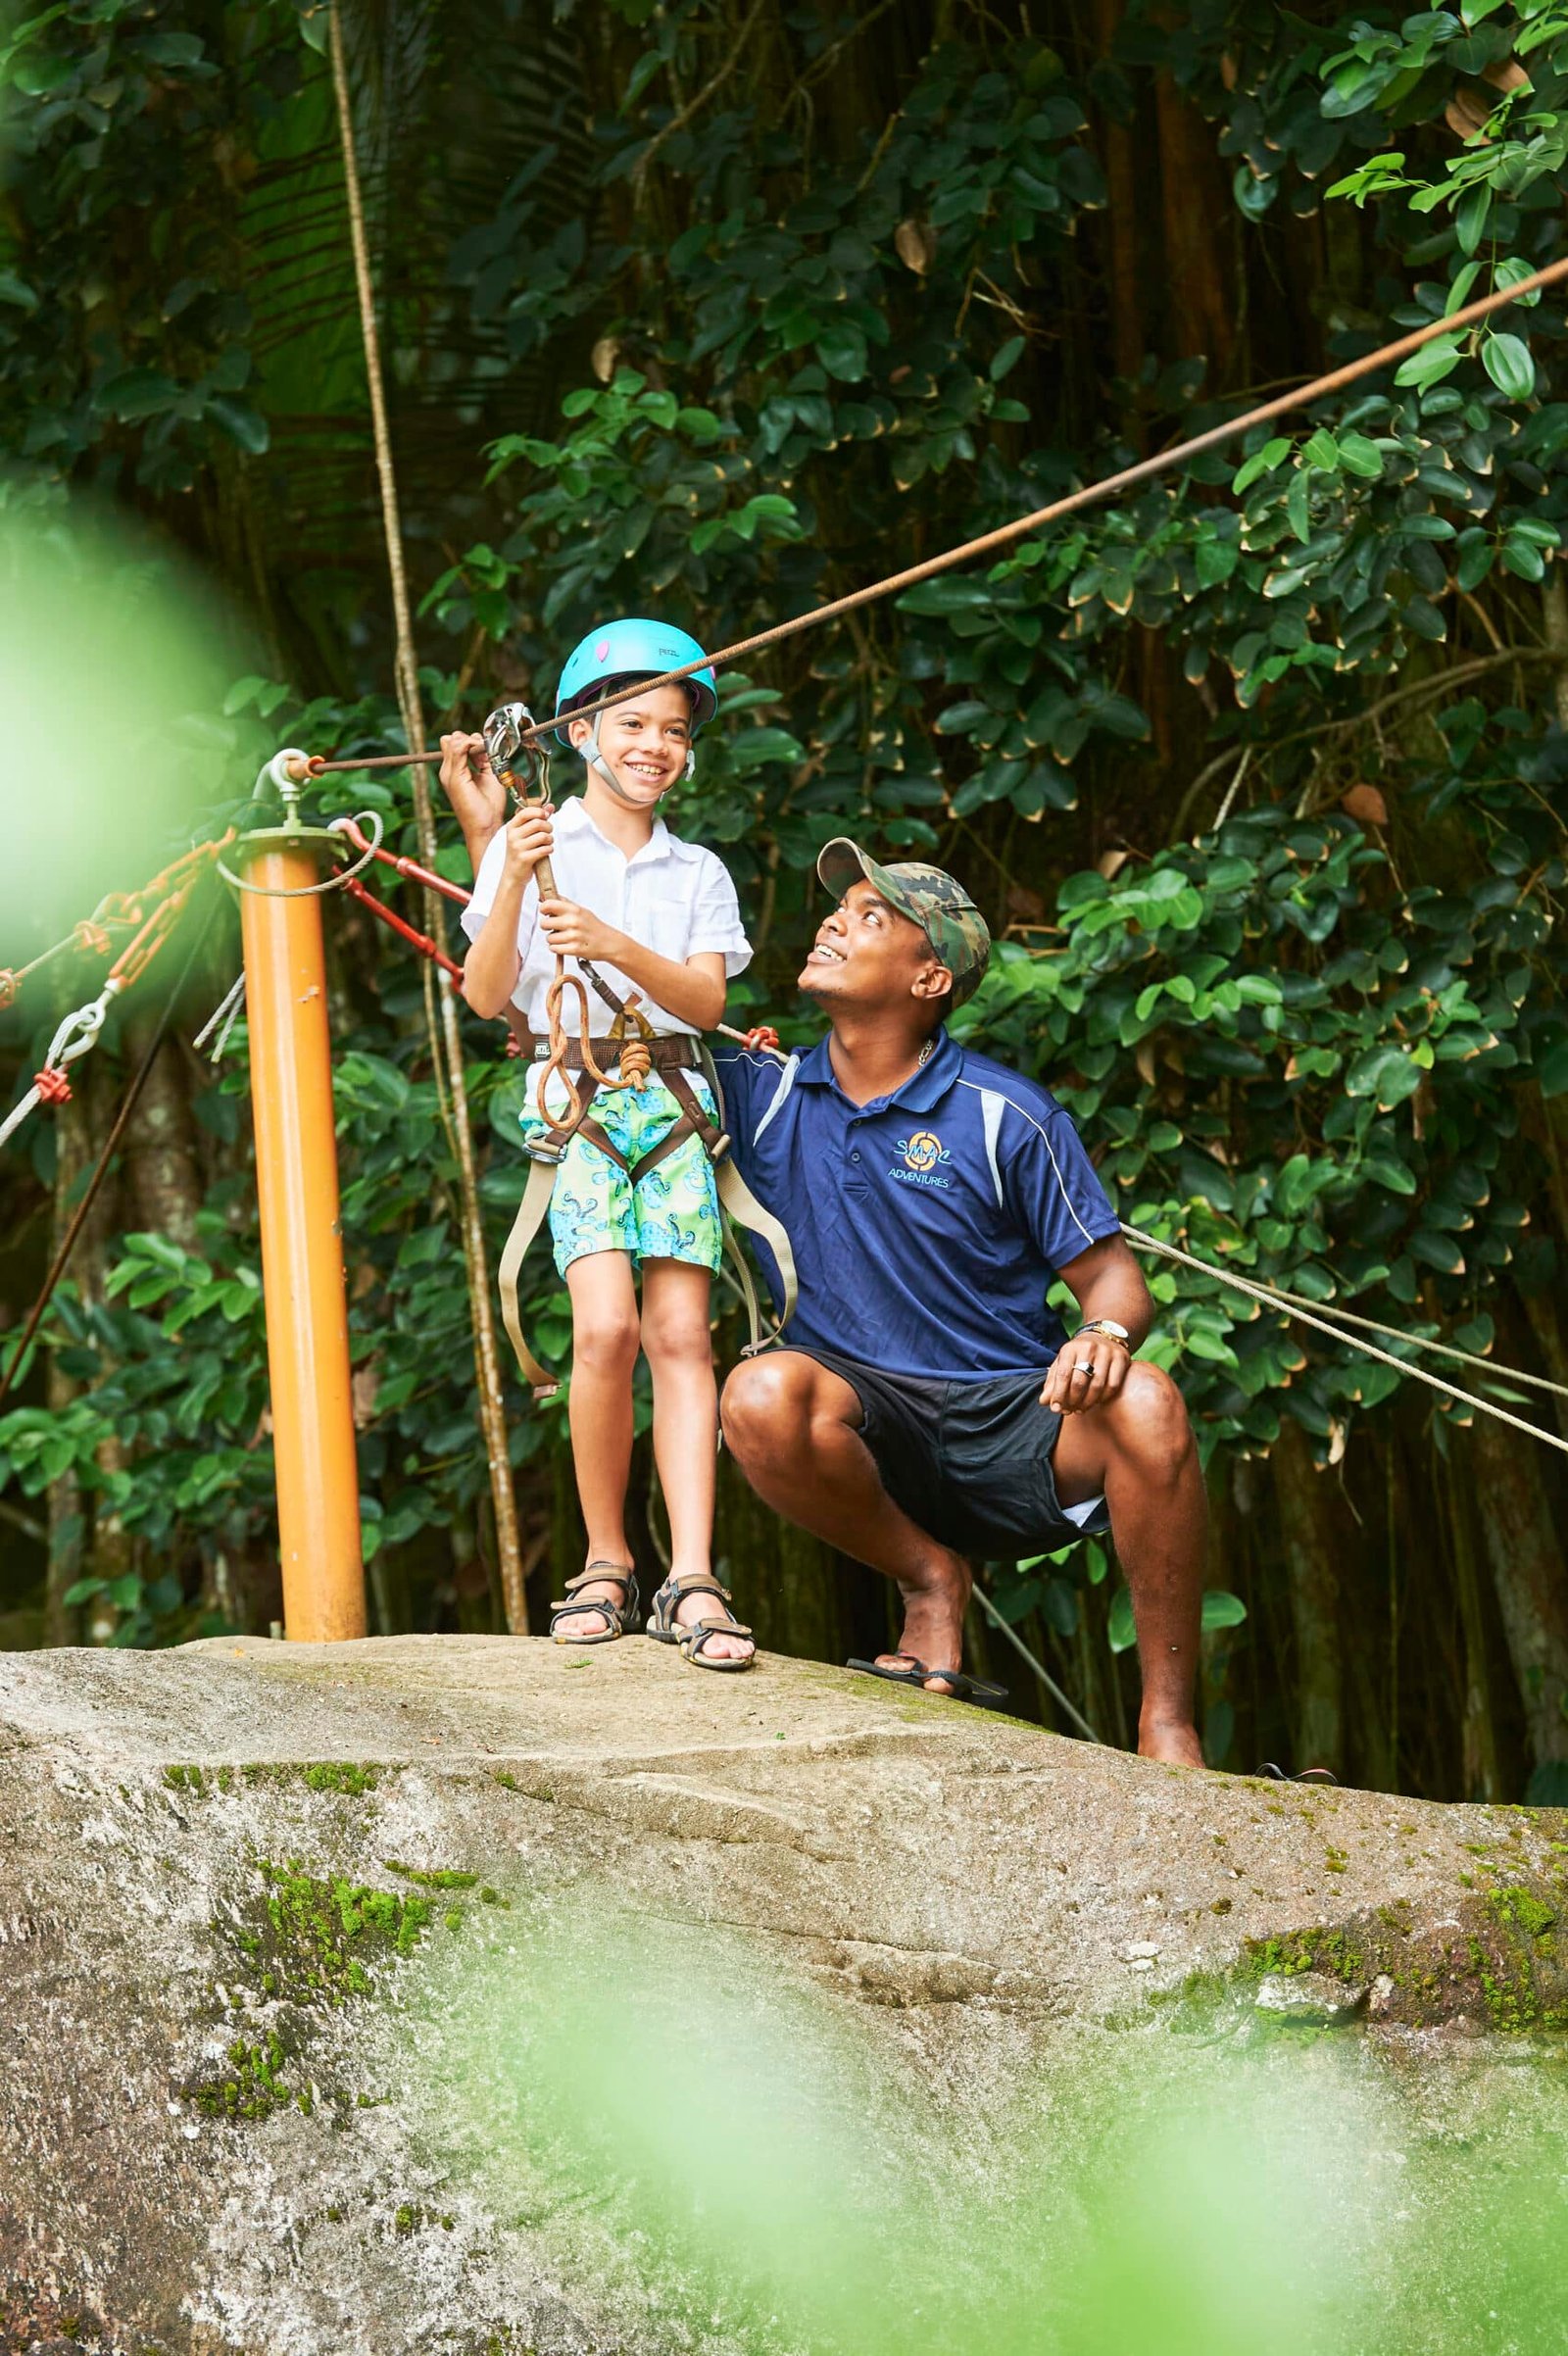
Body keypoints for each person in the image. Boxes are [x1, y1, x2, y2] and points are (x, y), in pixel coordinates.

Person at [709, 840, 1206, 1765]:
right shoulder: (762, 1095)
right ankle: (932, 1582)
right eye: (838, 909)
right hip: (862, 1428)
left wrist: (1101, 1333)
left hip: (1013, 1422)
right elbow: (594, 1012)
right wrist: (505, 839)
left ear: (929, 977)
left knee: (1149, 1401)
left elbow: (1114, 1284)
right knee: (755, 1396)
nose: (832, 922)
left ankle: (1167, 1725)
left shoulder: (1002, 1111)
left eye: (870, 917)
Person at [452, 618, 757, 1669]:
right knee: (604, 1334)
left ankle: (696, 1573)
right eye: (631, 722)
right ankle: (605, 1559)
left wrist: (614, 941)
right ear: (580, 732)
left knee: (684, 1337)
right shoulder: (530, 849)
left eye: (674, 729)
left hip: (669, 1099)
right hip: (575, 1102)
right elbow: (486, 993)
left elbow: (709, 1000)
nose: (654, 745)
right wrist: (510, 873)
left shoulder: (695, 872)